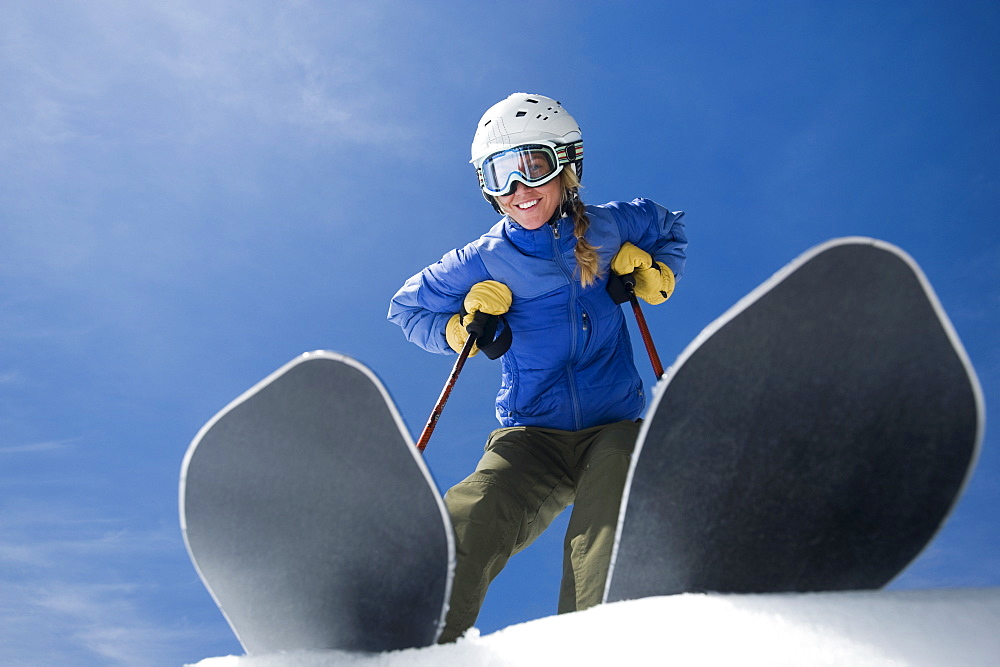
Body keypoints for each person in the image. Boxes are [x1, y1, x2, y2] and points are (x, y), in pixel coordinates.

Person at [388, 93, 687, 643]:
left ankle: (593, 644)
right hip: (530, 436)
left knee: (608, 516)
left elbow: (668, 226)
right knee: (474, 511)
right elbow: (407, 308)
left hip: (613, 426)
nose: (518, 191)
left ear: (567, 166)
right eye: (500, 175)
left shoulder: (614, 225)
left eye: (533, 167)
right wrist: (459, 326)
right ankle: (411, 639)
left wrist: (654, 272)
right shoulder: (483, 257)